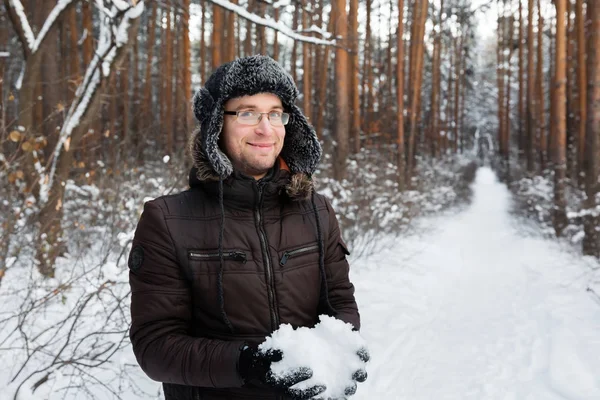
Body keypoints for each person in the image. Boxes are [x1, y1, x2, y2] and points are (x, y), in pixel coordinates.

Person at [128, 55, 367, 400]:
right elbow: (156, 346)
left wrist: (339, 348)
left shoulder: (316, 211)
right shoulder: (167, 220)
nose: (266, 129)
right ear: (216, 125)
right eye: (247, 113)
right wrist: (247, 364)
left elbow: (340, 303)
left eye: (274, 113)